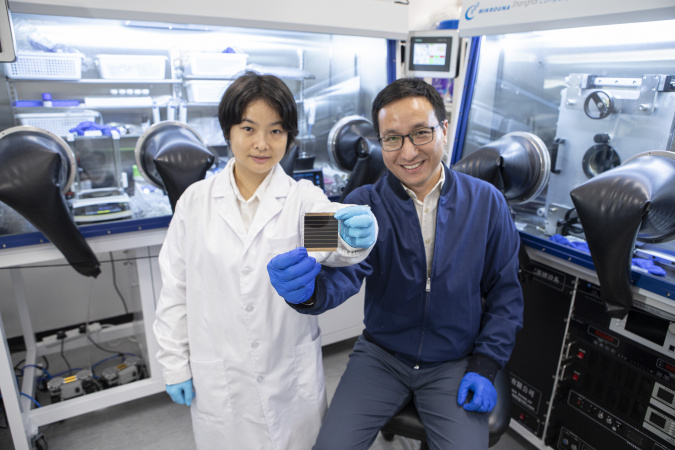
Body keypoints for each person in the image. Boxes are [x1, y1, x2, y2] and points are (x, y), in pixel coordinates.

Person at [267, 77, 524, 449]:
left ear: (444, 130)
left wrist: (486, 364)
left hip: (454, 361)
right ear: (380, 142)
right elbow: (332, 272)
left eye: (421, 133)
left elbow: (506, 295)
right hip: (380, 356)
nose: (407, 153)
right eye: (392, 138)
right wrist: (305, 292)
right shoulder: (357, 203)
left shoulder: (488, 202)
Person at [152, 71, 377, 450]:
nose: (262, 144)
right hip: (221, 377)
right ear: (229, 132)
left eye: (275, 131)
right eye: (248, 128)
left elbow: (333, 243)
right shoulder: (195, 202)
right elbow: (176, 288)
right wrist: (174, 362)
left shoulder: (300, 199)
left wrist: (356, 236)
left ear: (288, 136)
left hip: (288, 378)